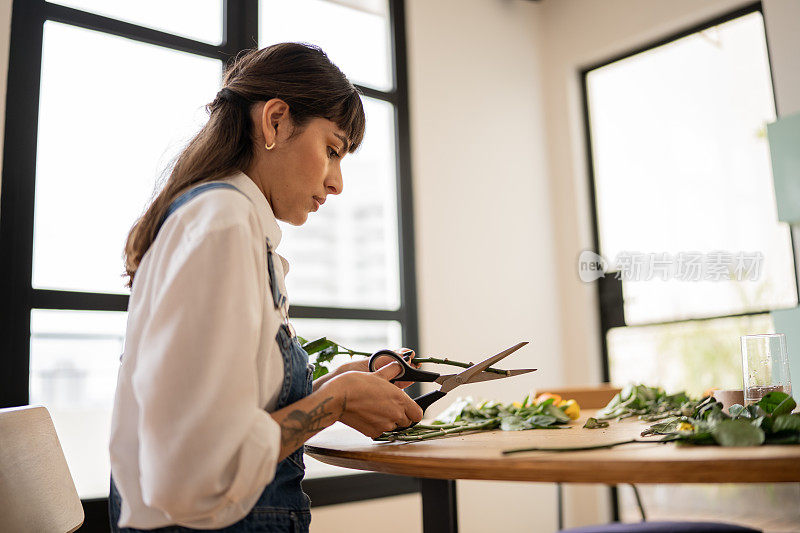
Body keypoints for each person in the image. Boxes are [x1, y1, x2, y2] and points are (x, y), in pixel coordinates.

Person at [108, 42, 423, 533]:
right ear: (275, 121)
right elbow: (195, 471)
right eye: (333, 150)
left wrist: (334, 388)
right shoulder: (223, 224)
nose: (337, 183)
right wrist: (335, 400)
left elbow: (228, 422)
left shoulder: (222, 220)